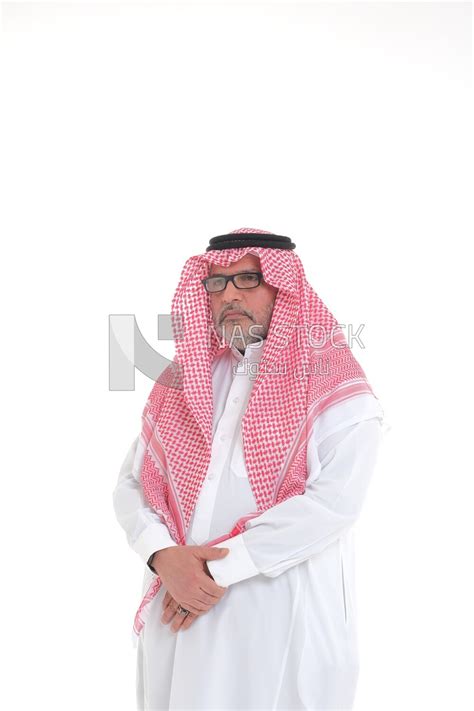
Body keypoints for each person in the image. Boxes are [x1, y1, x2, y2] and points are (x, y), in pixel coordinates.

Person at [112, 227, 387, 710]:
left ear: (284, 289)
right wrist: (163, 557)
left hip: (279, 618)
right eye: (216, 283)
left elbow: (333, 504)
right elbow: (134, 483)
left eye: (247, 279)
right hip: (176, 614)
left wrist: (214, 572)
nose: (229, 294)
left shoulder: (336, 388)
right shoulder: (181, 384)